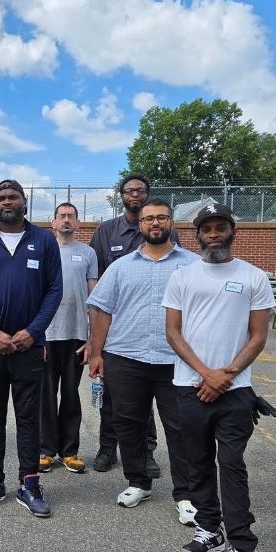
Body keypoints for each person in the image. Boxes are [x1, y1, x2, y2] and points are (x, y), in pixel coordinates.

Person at [164, 203, 275, 552]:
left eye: (220, 227)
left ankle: (243, 545)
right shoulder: (182, 276)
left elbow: (258, 335)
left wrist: (225, 375)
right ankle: (209, 529)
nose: (213, 233)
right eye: (206, 228)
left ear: (232, 231)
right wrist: (205, 373)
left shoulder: (253, 277)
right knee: (196, 461)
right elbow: (174, 333)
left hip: (236, 390)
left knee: (231, 464)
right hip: (190, 385)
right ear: (197, 235)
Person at [86, 200, 198, 522]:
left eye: (161, 217)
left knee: (180, 427)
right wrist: (96, 353)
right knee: (128, 423)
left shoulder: (192, 265)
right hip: (126, 357)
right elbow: (101, 309)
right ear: (140, 225)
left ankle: (185, 493)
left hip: (175, 360)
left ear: (171, 222)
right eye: (149, 218)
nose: (155, 223)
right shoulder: (121, 267)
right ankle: (138, 482)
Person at [0, 179, 62, 518]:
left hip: (29, 348)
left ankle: (30, 482)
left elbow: (54, 291)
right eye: (1, 197)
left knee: (28, 416)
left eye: (13, 197)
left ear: (24, 202)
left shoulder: (44, 240)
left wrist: (32, 333)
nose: (8, 202)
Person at [89, 174, 179, 475]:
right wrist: (95, 340)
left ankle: (146, 452)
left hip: (154, 331)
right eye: (129, 191)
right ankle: (106, 447)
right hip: (116, 328)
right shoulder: (106, 231)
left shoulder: (163, 233)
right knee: (112, 397)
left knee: (145, 400)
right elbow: (97, 281)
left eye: (141, 190)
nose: (135, 195)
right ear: (122, 196)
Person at [39, 202, 98, 475]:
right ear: (52, 223)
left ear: (78, 223)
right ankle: (46, 450)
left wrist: (93, 339)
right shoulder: (42, 252)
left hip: (76, 335)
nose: (65, 220)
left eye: (70, 216)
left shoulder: (88, 254)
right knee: (46, 395)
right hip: (47, 335)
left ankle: (70, 451)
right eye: (61, 216)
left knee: (71, 395)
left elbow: (94, 298)